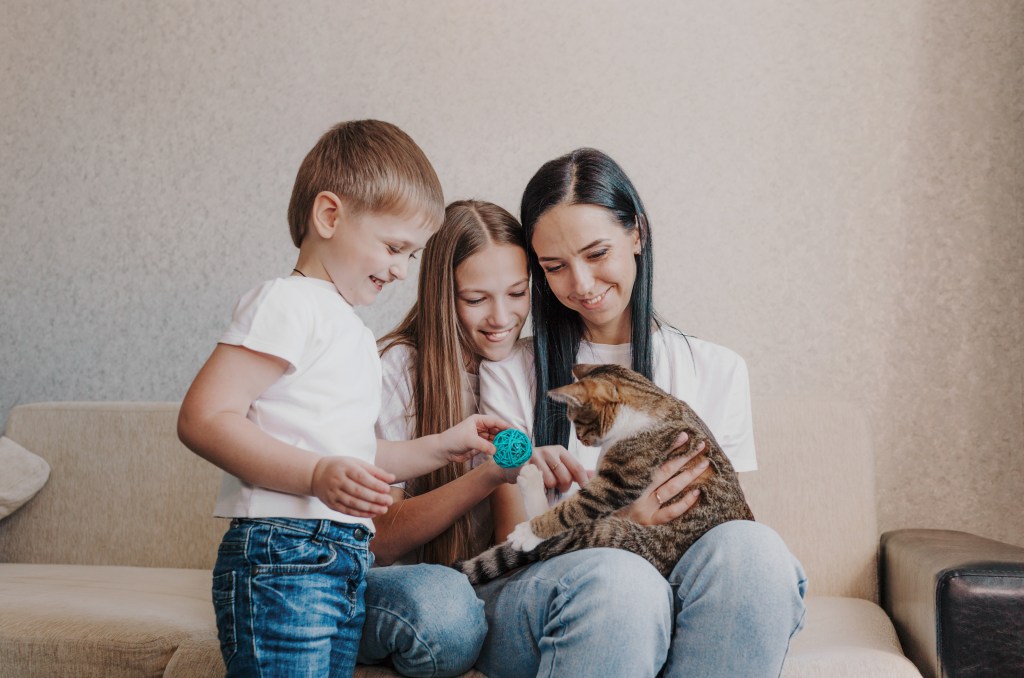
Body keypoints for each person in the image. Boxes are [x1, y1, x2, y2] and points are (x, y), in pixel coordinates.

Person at [175, 121, 509, 678]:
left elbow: (359, 456)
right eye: (394, 247)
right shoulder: (286, 303)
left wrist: (445, 446)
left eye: (412, 254)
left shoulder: (349, 328)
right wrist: (316, 475)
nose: (402, 270)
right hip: (284, 555)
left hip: (341, 560)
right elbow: (203, 418)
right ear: (329, 216)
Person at [474, 148, 808, 678]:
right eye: (554, 267)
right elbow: (516, 540)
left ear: (638, 235)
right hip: (552, 597)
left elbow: (717, 533)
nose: (580, 284)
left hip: (673, 589)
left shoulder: (715, 369)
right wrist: (626, 523)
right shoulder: (508, 372)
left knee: (756, 551)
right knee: (620, 582)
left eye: (596, 252)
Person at [357, 199, 708, 677]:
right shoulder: (399, 369)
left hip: (498, 582)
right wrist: (489, 476)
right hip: (412, 585)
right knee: (446, 605)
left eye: (518, 293)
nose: (502, 317)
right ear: (443, 295)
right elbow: (378, 542)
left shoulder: (520, 367)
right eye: (476, 299)